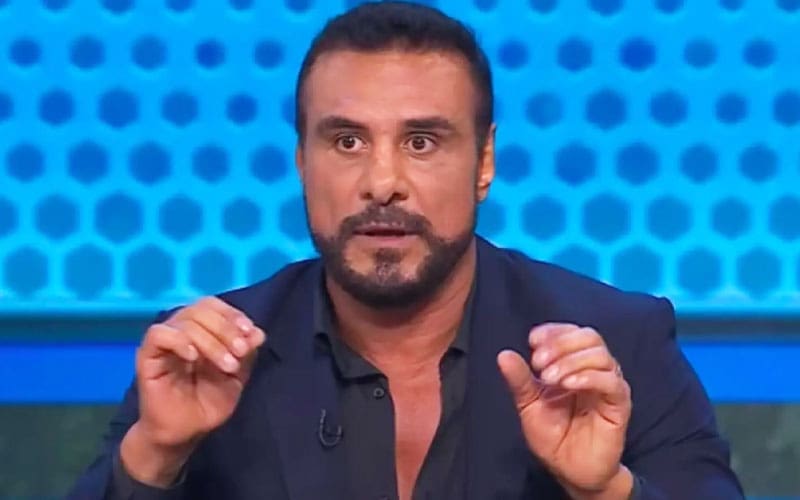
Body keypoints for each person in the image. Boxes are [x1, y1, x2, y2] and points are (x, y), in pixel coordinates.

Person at [68, 2, 744, 499]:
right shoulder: (204, 355)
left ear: (484, 162)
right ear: (302, 161)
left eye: (421, 142)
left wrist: (607, 492)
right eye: (347, 142)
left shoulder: (618, 343)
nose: (382, 182)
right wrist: (153, 456)